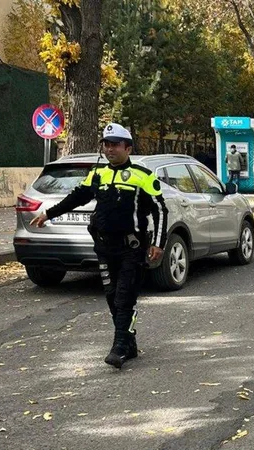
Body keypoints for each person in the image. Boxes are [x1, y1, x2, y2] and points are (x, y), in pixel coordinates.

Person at [30, 123, 168, 369]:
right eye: (106, 144)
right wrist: (48, 214)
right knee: (112, 297)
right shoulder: (98, 174)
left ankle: (118, 349)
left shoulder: (142, 175)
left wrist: (158, 244)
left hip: (131, 248)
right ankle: (129, 343)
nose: (109, 149)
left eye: (115, 145)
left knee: (124, 298)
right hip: (104, 248)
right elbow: (76, 197)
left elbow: (160, 210)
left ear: (128, 148)